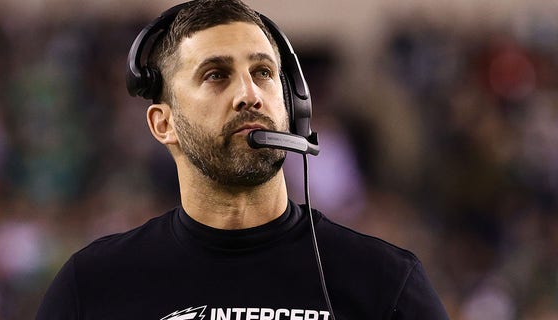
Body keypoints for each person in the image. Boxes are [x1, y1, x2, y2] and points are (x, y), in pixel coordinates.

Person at [36, 0, 449, 319]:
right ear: (163, 123)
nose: (249, 94)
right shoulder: (92, 287)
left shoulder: (386, 283)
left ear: (294, 107)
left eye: (264, 73)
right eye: (216, 74)